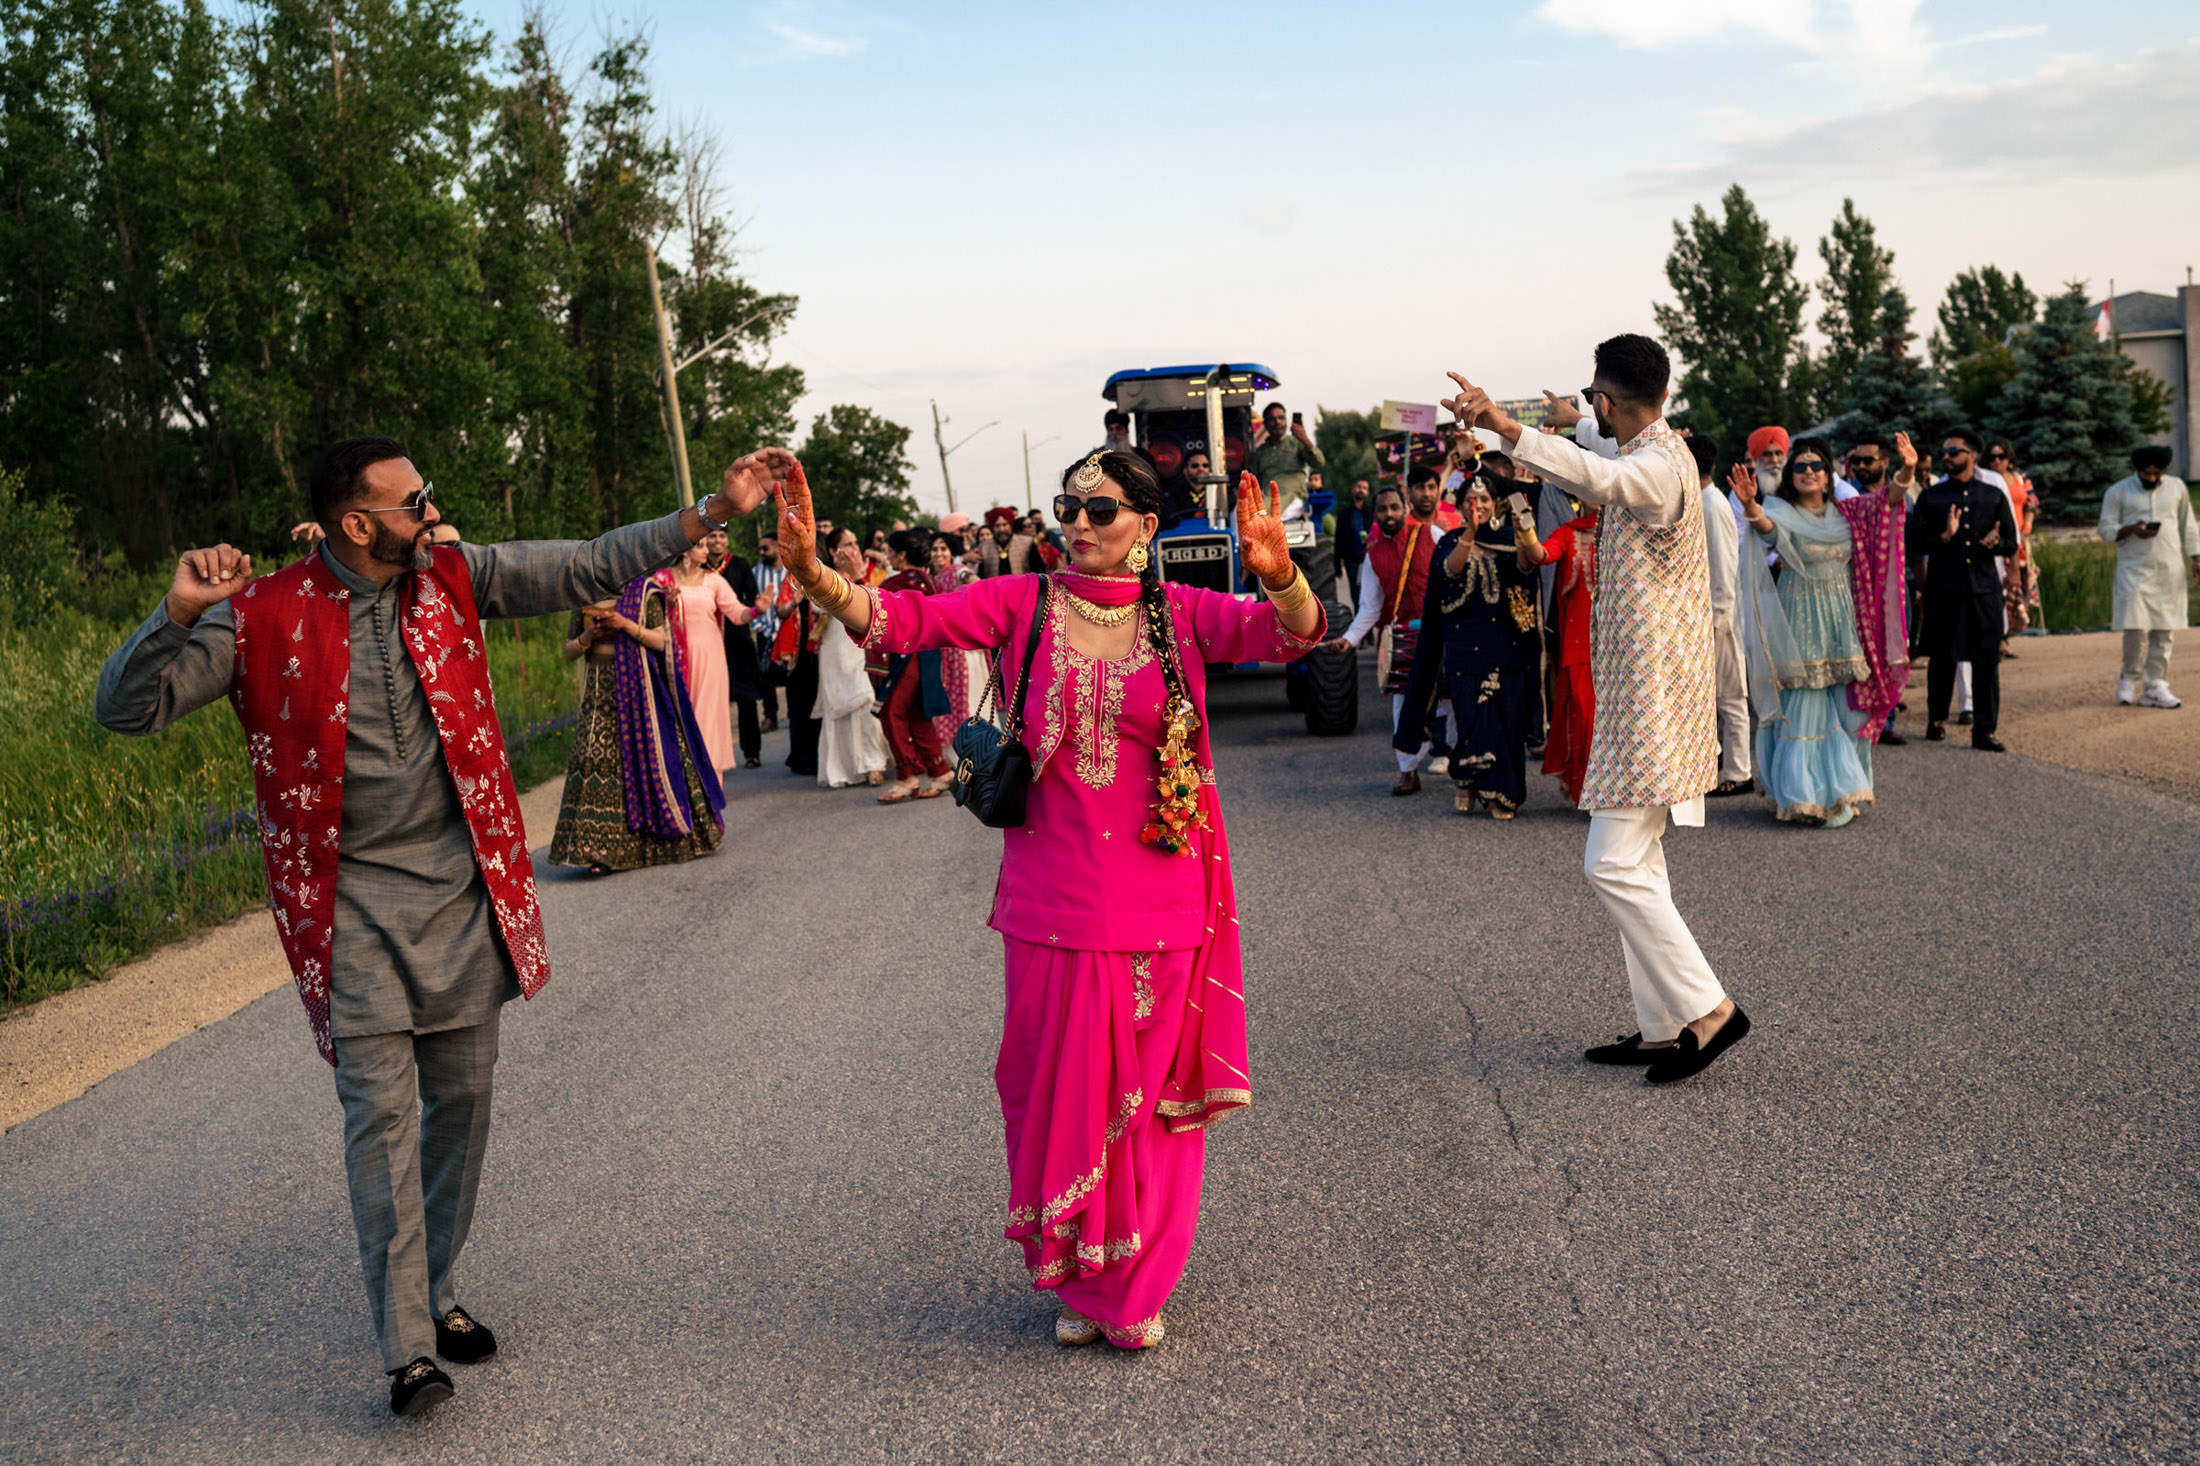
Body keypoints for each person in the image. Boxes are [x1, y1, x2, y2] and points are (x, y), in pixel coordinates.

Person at [92, 436, 792, 1414]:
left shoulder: (453, 575)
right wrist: (172, 615)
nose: (431, 512)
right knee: (378, 1124)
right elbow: (125, 710)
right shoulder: (263, 615)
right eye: (413, 501)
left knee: (460, 1107)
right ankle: (408, 1348)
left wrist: (709, 510)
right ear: (355, 523)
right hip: (349, 910)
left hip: (464, 895)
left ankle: (436, 1286)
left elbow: (587, 561)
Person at [776, 448, 1325, 1350]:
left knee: (1145, 1099)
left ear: (1146, 528)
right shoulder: (1023, 602)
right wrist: (820, 579)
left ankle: (1135, 1285)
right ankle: (1083, 1278)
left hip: (1159, 893)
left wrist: (1281, 575)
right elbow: (907, 620)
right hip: (1047, 897)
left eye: (1101, 510)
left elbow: (1289, 636)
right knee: (1048, 1085)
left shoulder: (1181, 612)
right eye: (1068, 506)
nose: (1077, 523)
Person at [1444, 336, 1747, 1086]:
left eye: (1593, 403)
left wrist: (1511, 431)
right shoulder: (1656, 446)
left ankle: (1709, 1010)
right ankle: (1661, 1025)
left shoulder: (1652, 470)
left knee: (1610, 863)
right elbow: (1593, 449)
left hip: (1653, 696)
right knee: (1637, 862)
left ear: (1611, 400)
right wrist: (1548, 420)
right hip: (1641, 691)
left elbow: (1603, 476)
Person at [1728, 435, 1912, 827]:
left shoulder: (1850, 513)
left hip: (1842, 617)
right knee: (1806, 705)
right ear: (1791, 478)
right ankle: (1803, 796)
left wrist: (1908, 470)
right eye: (1800, 467)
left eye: (1816, 466)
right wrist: (1749, 506)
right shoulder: (1781, 510)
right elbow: (1768, 531)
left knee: (1844, 705)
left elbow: (1890, 500)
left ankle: (1844, 790)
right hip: (1800, 618)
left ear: (1829, 476)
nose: (1808, 471)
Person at [548, 580, 725, 872]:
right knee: (596, 767)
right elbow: (569, 651)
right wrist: (588, 636)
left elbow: (662, 640)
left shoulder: (645, 594)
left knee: (648, 762)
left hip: (640, 693)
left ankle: (655, 844)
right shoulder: (584, 597)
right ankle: (599, 852)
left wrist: (626, 625)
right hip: (598, 697)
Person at [1397, 480, 1544, 818]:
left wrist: (1524, 533)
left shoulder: (1507, 538)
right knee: (1474, 720)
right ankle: (1467, 779)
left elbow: (1524, 570)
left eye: (1485, 499)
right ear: (1460, 505)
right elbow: (1452, 572)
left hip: (1507, 643)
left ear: (1496, 504)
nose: (1478, 504)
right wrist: (1470, 534)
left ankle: (1501, 794)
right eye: (1470, 499)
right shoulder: (1449, 542)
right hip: (1466, 647)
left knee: (1506, 722)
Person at [1328, 476, 1451, 794]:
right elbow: (1370, 607)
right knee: (1404, 708)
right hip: (1406, 643)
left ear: (1406, 508)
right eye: (1382, 509)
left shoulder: (1431, 534)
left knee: (1453, 705)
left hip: (1444, 635)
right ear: (1376, 515)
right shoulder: (1373, 556)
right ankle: (1407, 770)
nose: (1390, 513)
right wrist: (1350, 639)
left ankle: (1465, 767)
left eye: (1395, 506)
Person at [1909, 429, 2021, 750]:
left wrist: (1996, 543)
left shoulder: (1992, 495)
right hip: (1945, 589)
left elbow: (2011, 542)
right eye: (1945, 452)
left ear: (1972, 455)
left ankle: (1984, 731)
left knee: (1987, 659)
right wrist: (1943, 537)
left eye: (1954, 452)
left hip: (1984, 589)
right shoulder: (1931, 498)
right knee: (1944, 657)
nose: (1946, 457)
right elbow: (1914, 542)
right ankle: (1936, 718)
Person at [2101, 444, 2200, 708]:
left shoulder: (2177, 487)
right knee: (2134, 626)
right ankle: (2129, 678)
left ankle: (2156, 685)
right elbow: (2105, 529)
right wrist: (2130, 529)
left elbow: (2187, 524)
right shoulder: (2118, 491)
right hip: (2133, 569)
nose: (2152, 479)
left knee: (2164, 629)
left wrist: (2196, 558)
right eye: (2147, 474)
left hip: (2169, 567)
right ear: (2138, 470)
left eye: (2158, 474)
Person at [1688, 434, 1755, 791]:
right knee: (1710, 699)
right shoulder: (1700, 502)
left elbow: (1724, 571)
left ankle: (1739, 771)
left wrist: (1716, 623)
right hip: (1706, 618)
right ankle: (1715, 770)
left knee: (1730, 697)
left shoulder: (1713, 507)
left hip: (1720, 619)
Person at [874, 528, 953, 802]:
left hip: (908, 655)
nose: (889, 557)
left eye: (891, 552)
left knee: (891, 710)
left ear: (902, 554)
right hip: (930, 652)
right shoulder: (929, 580)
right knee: (918, 712)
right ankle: (940, 771)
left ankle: (907, 776)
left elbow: (875, 608)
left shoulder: (897, 583)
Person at [668, 532, 755, 778]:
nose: (706, 550)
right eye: (700, 545)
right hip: (676, 656)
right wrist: (667, 604)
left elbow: (737, 613)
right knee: (682, 715)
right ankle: (684, 777)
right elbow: (650, 615)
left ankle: (710, 778)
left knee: (708, 714)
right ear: (684, 550)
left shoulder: (714, 581)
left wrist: (757, 610)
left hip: (710, 655)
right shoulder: (663, 580)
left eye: (707, 545)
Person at [814, 527, 890, 788]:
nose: (855, 548)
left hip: (860, 646)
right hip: (835, 648)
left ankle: (873, 763)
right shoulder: (823, 576)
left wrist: (859, 575)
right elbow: (819, 603)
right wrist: (849, 577)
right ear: (834, 551)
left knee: (865, 698)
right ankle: (844, 767)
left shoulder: (865, 573)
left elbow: (878, 603)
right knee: (839, 704)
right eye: (848, 543)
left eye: (856, 542)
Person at [715, 534, 770, 768]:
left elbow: (752, 597)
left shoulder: (739, 564)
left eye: (720, 536)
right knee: (714, 701)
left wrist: (743, 609)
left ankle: (751, 752)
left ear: (727, 540)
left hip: (738, 638)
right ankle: (716, 755)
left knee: (746, 699)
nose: (716, 540)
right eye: (711, 536)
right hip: (712, 639)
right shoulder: (699, 568)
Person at [1983, 440, 2040, 648]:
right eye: (1992, 457)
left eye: (2001, 456)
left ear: (2009, 458)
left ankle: (2009, 631)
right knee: (2001, 587)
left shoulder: (2020, 478)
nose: (1997, 461)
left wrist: (2028, 525)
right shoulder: (1986, 480)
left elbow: (2032, 503)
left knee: (2019, 587)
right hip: (1998, 540)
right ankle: (2000, 638)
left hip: (2020, 539)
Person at [1249, 401, 1324, 503]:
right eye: (1272, 419)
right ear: (1265, 424)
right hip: (1267, 498)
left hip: (1293, 498)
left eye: (1281, 418)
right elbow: (1253, 479)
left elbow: (1319, 463)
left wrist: (1305, 439)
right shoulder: (1260, 452)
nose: (1278, 422)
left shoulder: (1297, 443)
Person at [753, 532, 788, 733]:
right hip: (764, 631)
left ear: (778, 547)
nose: (762, 552)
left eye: (765, 548)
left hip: (786, 631)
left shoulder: (790, 571)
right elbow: (749, 600)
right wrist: (758, 627)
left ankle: (794, 714)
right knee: (765, 675)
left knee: (790, 672)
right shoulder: (756, 572)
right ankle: (770, 715)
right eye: (760, 549)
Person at [1330, 478, 1371, 608]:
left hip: (1369, 558)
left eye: (1365, 488)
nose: (1361, 490)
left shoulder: (1371, 513)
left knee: (1370, 591)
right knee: (1356, 592)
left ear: (1368, 492)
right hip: (1352, 559)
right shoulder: (1344, 514)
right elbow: (1339, 540)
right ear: (1353, 489)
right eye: (1359, 487)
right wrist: (1337, 565)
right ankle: (1359, 618)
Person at [979, 505, 1045, 577]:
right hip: (994, 587)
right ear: (992, 528)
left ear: (1010, 525)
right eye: (997, 526)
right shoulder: (983, 548)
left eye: (1005, 525)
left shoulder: (1027, 543)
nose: (1002, 529)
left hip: (1023, 587)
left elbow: (1039, 572)